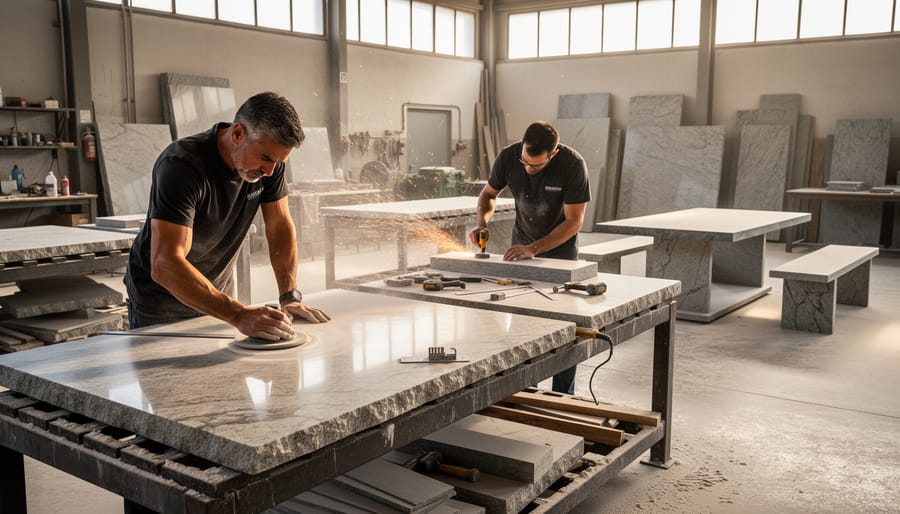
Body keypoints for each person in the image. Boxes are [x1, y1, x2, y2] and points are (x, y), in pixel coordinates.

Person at [125, 91, 330, 342]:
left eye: (278, 162)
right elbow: (165, 263)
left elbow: (279, 227)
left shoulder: (269, 167)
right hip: (161, 303)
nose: (269, 171)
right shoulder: (182, 166)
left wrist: (289, 296)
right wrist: (238, 314)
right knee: (167, 379)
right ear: (237, 134)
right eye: (265, 158)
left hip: (218, 296)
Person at [468, 120, 590, 394]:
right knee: (524, 326)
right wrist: (482, 223)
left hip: (560, 256)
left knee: (563, 330)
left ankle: (561, 397)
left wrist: (534, 248)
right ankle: (526, 391)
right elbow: (488, 194)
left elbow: (574, 222)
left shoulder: (572, 165)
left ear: (553, 154)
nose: (527, 168)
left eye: (535, 165)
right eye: (525, 161)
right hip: (520, 252)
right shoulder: (509, 157)